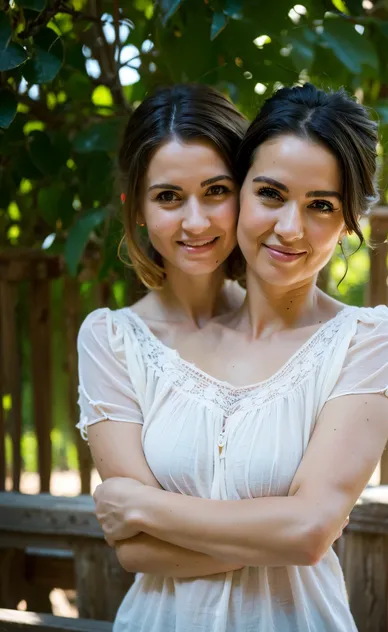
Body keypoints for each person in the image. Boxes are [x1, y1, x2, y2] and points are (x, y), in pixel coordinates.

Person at [88, 84, 388, 632]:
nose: (290, 228)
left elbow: (309, 534)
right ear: (247, 192)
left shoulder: (367, 339)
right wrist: (275, 533)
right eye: (271, 194)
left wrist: (143, 507)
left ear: (351, 218)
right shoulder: (133, 339)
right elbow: (136, 551)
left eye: (321, 206)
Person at [76, 82, 250, 575]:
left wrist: (304, 535)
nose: (195, 222)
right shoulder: (111, 340)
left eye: (216, 191)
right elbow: (136, 549)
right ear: (138, 209)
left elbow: (312, 531)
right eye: (169, 197)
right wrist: (285, 539)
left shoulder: (286, 332)